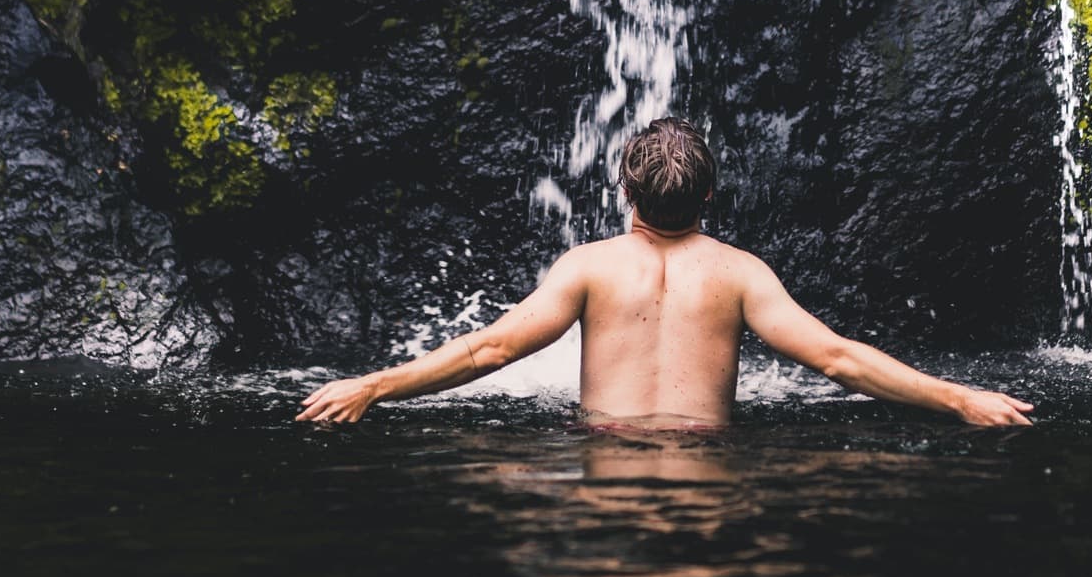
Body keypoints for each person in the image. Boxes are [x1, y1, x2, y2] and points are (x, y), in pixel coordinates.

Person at [296, 117, 1034, 428]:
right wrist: (958, 397)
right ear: (709, 195)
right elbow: (839, 358)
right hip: (705, 467)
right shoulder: (742, 275)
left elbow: (489, 350)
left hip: (606, 457)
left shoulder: (587, 266)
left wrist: (373, 385)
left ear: (626, 191)